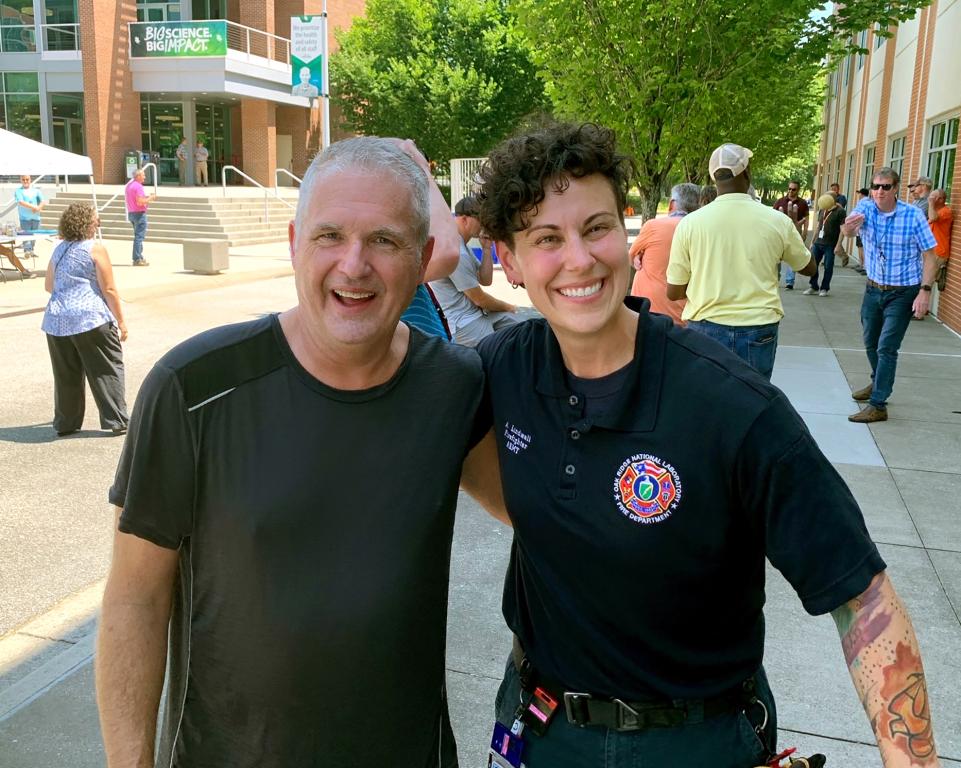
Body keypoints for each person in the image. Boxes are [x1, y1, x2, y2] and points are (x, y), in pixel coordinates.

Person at [463, 121, 941, 768]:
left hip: (693, 739)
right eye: (546, 238)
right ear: (510, 261)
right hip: (534, 725)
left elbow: (862, 600)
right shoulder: (496, 372)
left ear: (624, 236)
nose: (578, 258)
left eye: (596, 228)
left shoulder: (731, 405)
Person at [96, 137, 491, 768]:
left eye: (385, 241)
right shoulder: (193, 386)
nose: (353, 264)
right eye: (328, 235)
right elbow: (134, 598)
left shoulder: (455, 386)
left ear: (422, 262)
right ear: (293, 244)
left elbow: (542, 516)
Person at [665, 143, 815, 380]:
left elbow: (673, 292)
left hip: (705, 328)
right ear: (747, 172)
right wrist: (796, 231)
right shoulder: (776, 221)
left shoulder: (690, 224)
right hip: (758, 329)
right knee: (753, 405)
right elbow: (808, 268)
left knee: (709, 406)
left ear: (714, 178)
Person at [841, 167, 939, 423]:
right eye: (875, 186)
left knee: (887, 347)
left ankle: (878, 404)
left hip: (903, 291)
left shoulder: (912, 216)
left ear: (896, 189)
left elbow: (931, 257)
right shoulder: (865, 207)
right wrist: (848, 229)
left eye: (885, 187)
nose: (879, 192)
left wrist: (925, 293)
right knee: (870, 342)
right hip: (874, 289)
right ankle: (878, 382)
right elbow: (848, 231)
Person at [41, 203, 128, 437]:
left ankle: (66, 423)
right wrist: (121, 321)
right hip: (91, 318)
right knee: (106, 368)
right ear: (87, 224)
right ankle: (116, 419)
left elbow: (49, 286)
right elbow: (108, 288)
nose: (97, 223)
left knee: (66, 374)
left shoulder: (58, 249)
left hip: (57, 319)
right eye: (95, 220)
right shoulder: (95, 249)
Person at [429, 195, 519, 346]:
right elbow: (480, 299)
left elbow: (485, 280)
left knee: (516, 325)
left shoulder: (463, 246)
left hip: (477, 314)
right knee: (496, 353)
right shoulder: (456, 252)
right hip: (464, 323)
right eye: (480, 219)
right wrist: (508, 306)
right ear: (465, 219)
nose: (484, 224)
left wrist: (486, 249)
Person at [629, 182, 699, 325]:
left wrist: (637, 256)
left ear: (672, 204)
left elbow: (630, 257)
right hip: (684, 316)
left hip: (648, 312)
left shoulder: (653, 226)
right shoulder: (701, 231)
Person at [804, 192, 846, 297]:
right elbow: (818, 227)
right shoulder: (823, 209)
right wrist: (812, 241)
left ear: (833, 199)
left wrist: (838, 245)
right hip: (818, 242)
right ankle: (813, 286)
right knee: (813, 264)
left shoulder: (840, 212)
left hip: (830, 244)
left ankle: (824, 288)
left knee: (828, 266)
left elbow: (842, 230)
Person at [772, 180, 810, 289]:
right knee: (777, 256)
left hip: (794, 233)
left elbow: (806, 218)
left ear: (798, 190)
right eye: (789, 189)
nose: (790, 191)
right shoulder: (780, 201)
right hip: (779, 233)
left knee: (792, 256)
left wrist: (805, 232)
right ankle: (776, 278)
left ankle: (790, 281)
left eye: (793, 189)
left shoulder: (802, 203)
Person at [124, 168, 155, 266]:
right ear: (138, 176)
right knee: (139, 237)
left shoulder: (129, 186)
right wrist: (151, 198)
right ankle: (137, 258)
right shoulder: (138, 186)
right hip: (139, 214)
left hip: (131, 213)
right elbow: (140, 201)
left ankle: (139, 257)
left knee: (138, 236)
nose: (145, 177)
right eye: (143, 175)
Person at [15, 174, 45, 269]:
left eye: (27, 179)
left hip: (36, 217)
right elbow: (21, 202)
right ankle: (27, 251)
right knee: (26, 235)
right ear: (21, 180)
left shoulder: (36, 190)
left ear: (30, 179)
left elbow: (43, 201)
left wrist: (38, 208)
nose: (25, 181)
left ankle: (31, 250)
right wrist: (33, 207)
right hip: (24, 217)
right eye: (23, 179)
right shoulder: (19, 191)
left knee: (34, 235)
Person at [851, 187, 870, 274]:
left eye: (859, 194)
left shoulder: (864, 202)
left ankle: (864, 267)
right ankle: (861, 265)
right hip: (860, 229)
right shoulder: (864, 202)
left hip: (862, 229)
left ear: (862, 194)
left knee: (862, 248)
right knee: (860, 247)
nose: (858, 195)